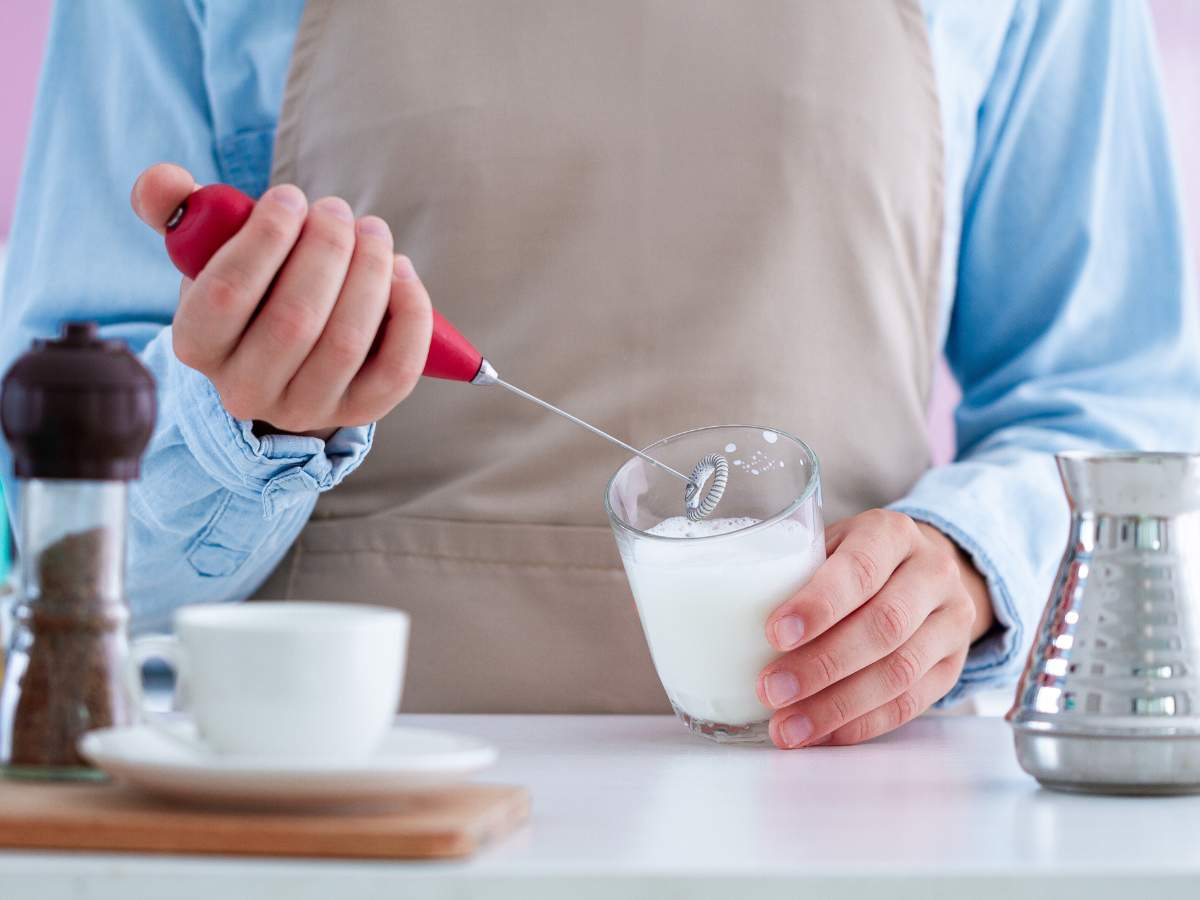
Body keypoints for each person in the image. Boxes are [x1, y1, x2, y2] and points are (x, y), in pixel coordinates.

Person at [2, 0, 1197, 749]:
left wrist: (972, 563)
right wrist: (235, 426)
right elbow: (48, 508)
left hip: (847, 837)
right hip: (327, 821)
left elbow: (1129, 407)